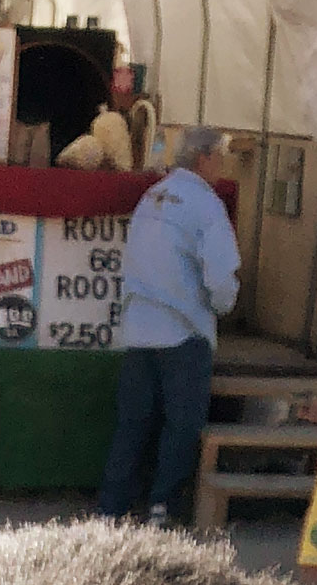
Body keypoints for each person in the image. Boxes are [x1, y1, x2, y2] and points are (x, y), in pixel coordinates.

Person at [96, 123, 241, 527]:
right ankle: (162, 507)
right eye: (221, 156)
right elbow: (220, 277)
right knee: (182, 425)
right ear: (204, 158)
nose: (223, 164)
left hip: (140, 326)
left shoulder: (152, 196)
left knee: (133, 422)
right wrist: (223, 306)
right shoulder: (205, 204)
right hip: (182, 329)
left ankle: (111, 508)